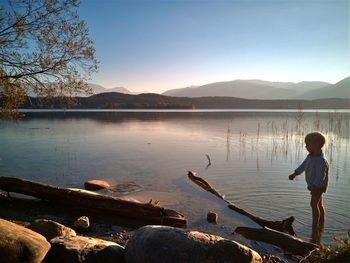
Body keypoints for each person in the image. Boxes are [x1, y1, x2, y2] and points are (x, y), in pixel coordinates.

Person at [288, 132, 329, 233]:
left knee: (313, 204)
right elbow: (303, 166)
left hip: (318, 186)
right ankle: (321, 222)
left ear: (315, 145)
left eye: (307, 144)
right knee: (319, 204)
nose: (305, 146)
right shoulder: (310, 156)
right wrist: (295, 173)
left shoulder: (321, 161)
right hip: (314, 185)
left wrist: (315, 187)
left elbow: (321, 176)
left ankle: (314, 228)